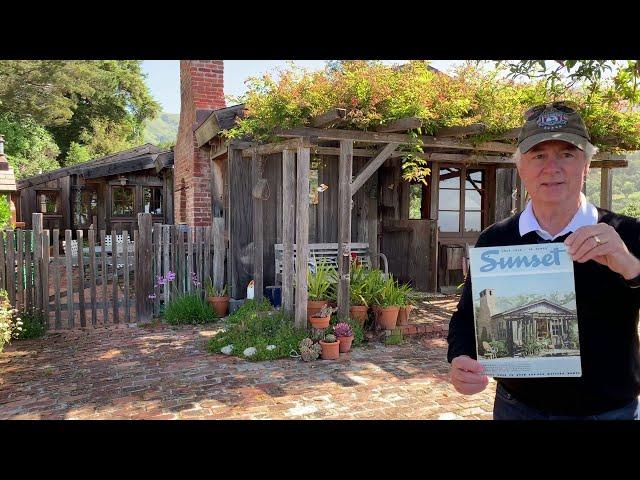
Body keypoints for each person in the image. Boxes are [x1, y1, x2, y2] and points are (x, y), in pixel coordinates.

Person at [447, 101, 640, 420]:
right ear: (521, 167)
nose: (552, 168)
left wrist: (630, 266)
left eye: (566, 154)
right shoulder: (496, 240)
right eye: (539, 155)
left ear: (586, 164)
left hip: (609, 411)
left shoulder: (628, 235)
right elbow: (468, 316)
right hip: (518, 409)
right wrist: (460, 358)